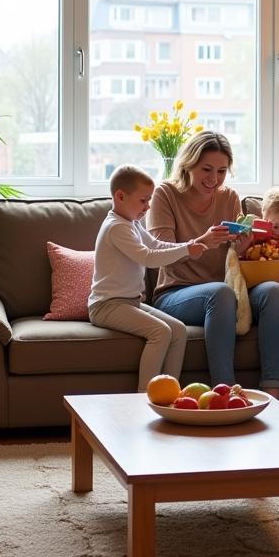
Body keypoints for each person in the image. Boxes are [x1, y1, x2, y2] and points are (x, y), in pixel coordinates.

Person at [148, 131, 279, 397]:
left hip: (227, 289)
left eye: (222, 171)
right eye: (206, 169)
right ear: (188, 164)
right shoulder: (165, 194)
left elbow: (234, 259)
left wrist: (242, 247)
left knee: (274, 291)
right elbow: (158, 252)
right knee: (221, 293)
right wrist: (201, 242)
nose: (214, 179)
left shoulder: (229, 197)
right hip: (176, 292)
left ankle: (273, 393)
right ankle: (225, 393)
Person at [88, 165, 207, 391]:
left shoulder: (131, 223)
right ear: (120, 197)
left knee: (178, 330)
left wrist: (187, 246)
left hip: (130, 302)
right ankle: (144, 397)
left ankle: (170, 393)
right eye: (143, 200)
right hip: (106, 306)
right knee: (160, 332)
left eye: (149, 200)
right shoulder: (116, 227)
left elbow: (155, 244)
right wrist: (186, 251)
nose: (148, 206)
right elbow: (149, 258)